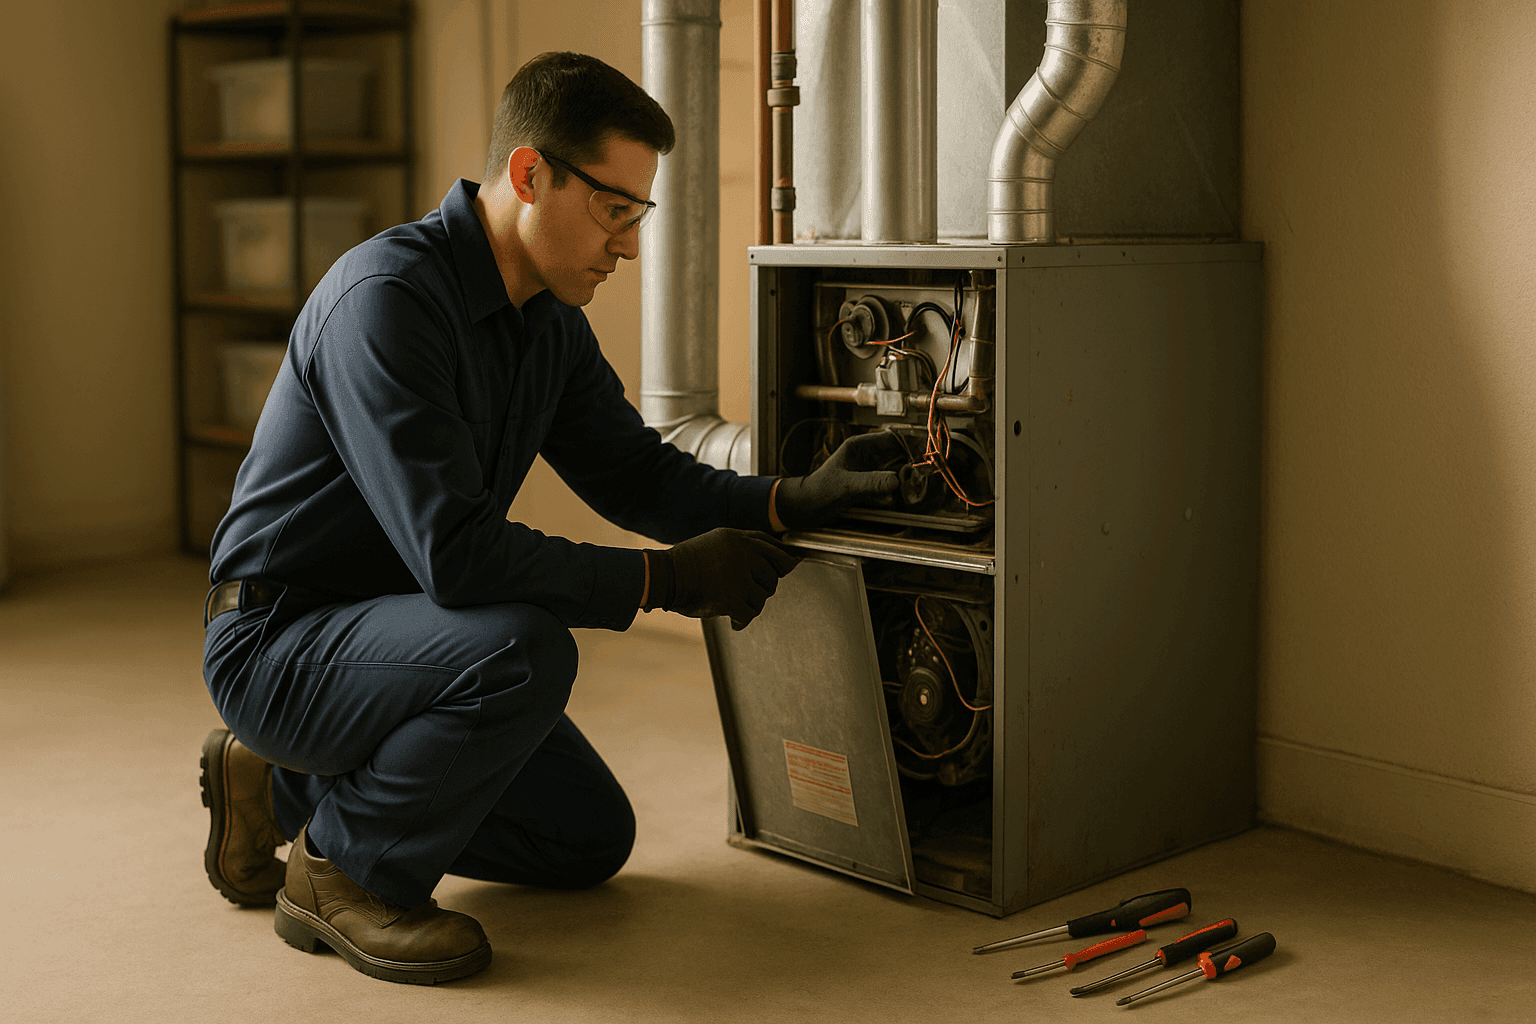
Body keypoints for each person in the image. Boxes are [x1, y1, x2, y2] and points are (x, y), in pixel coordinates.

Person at [198, 51, 898, 986]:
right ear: (532, 175)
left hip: (398, 643)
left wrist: (788, 496)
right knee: (521, 649)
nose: (630, 245)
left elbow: (634, 473)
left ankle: (278, 781)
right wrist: (666, 580)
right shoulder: (388, 303)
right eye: (617, 209)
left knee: (585, 838)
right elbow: (458, 559)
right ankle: (341, 874)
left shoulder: (547, 320)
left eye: (638, 215)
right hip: (280, 640)